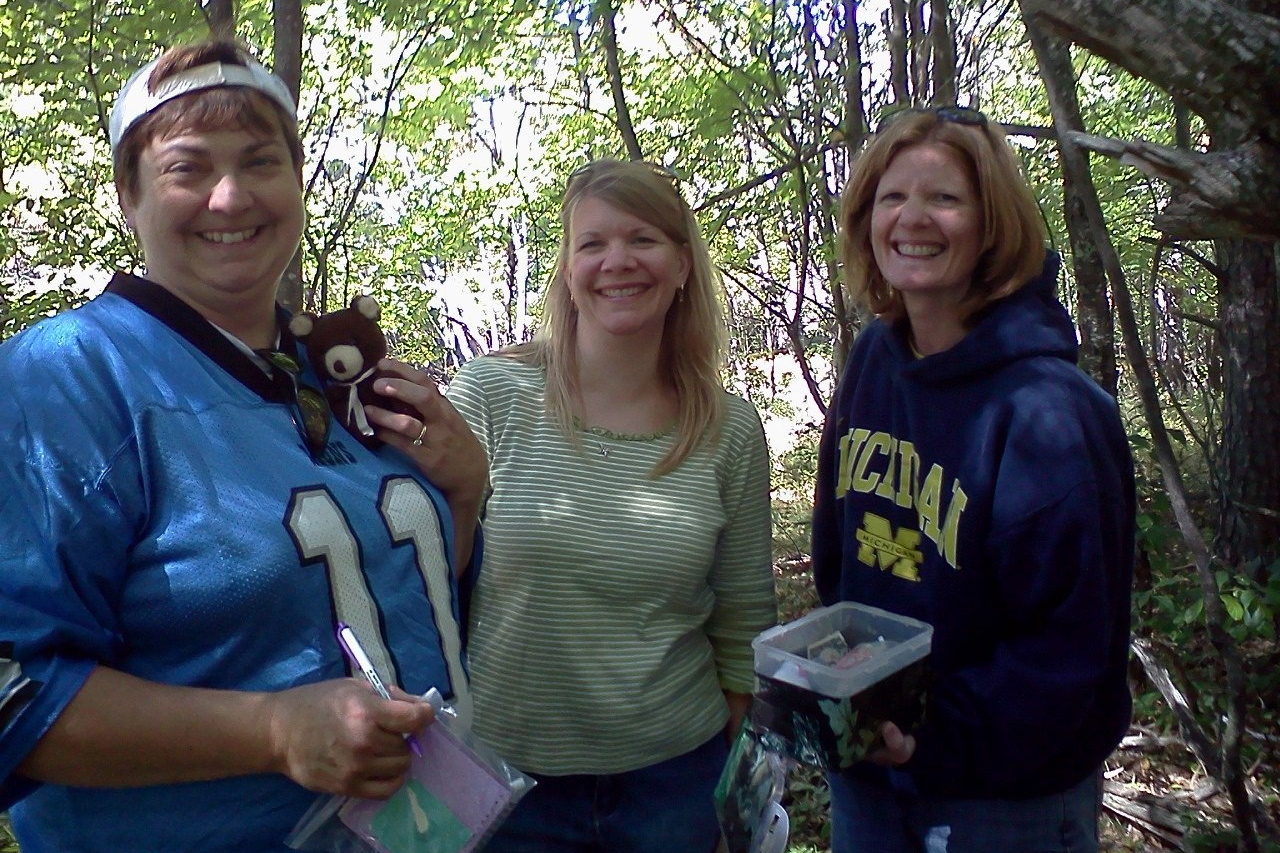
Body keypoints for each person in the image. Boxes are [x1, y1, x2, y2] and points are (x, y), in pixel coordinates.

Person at [0, 39, 487, 852]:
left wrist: (465, 493)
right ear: (129, 194)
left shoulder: (334, 371)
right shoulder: (66, 378)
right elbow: (17, 691)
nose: (230, 197)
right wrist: (272, 728)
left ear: (298, 183)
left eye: (261, 163)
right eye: (187, 168)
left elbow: (401, 599)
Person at [810, 106, 1135, 853]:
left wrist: (929, 733)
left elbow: (1071, 650)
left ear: (994, 223)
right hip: (870, 768)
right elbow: (842, 555)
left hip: (1001, 797)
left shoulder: (1048, 412)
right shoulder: (872, 362)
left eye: (945, 198)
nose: (912, 219)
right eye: (892, 198)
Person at [445, 159, 777, 853]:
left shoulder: (731, 431)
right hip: (505, 785)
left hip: (673, 787)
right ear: (567, 269)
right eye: (592, 244)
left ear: (682, 264)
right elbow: (424, 570)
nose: (616, 262)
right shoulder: (491, 395)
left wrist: (733, 804)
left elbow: (744, 628)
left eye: (642, 239)